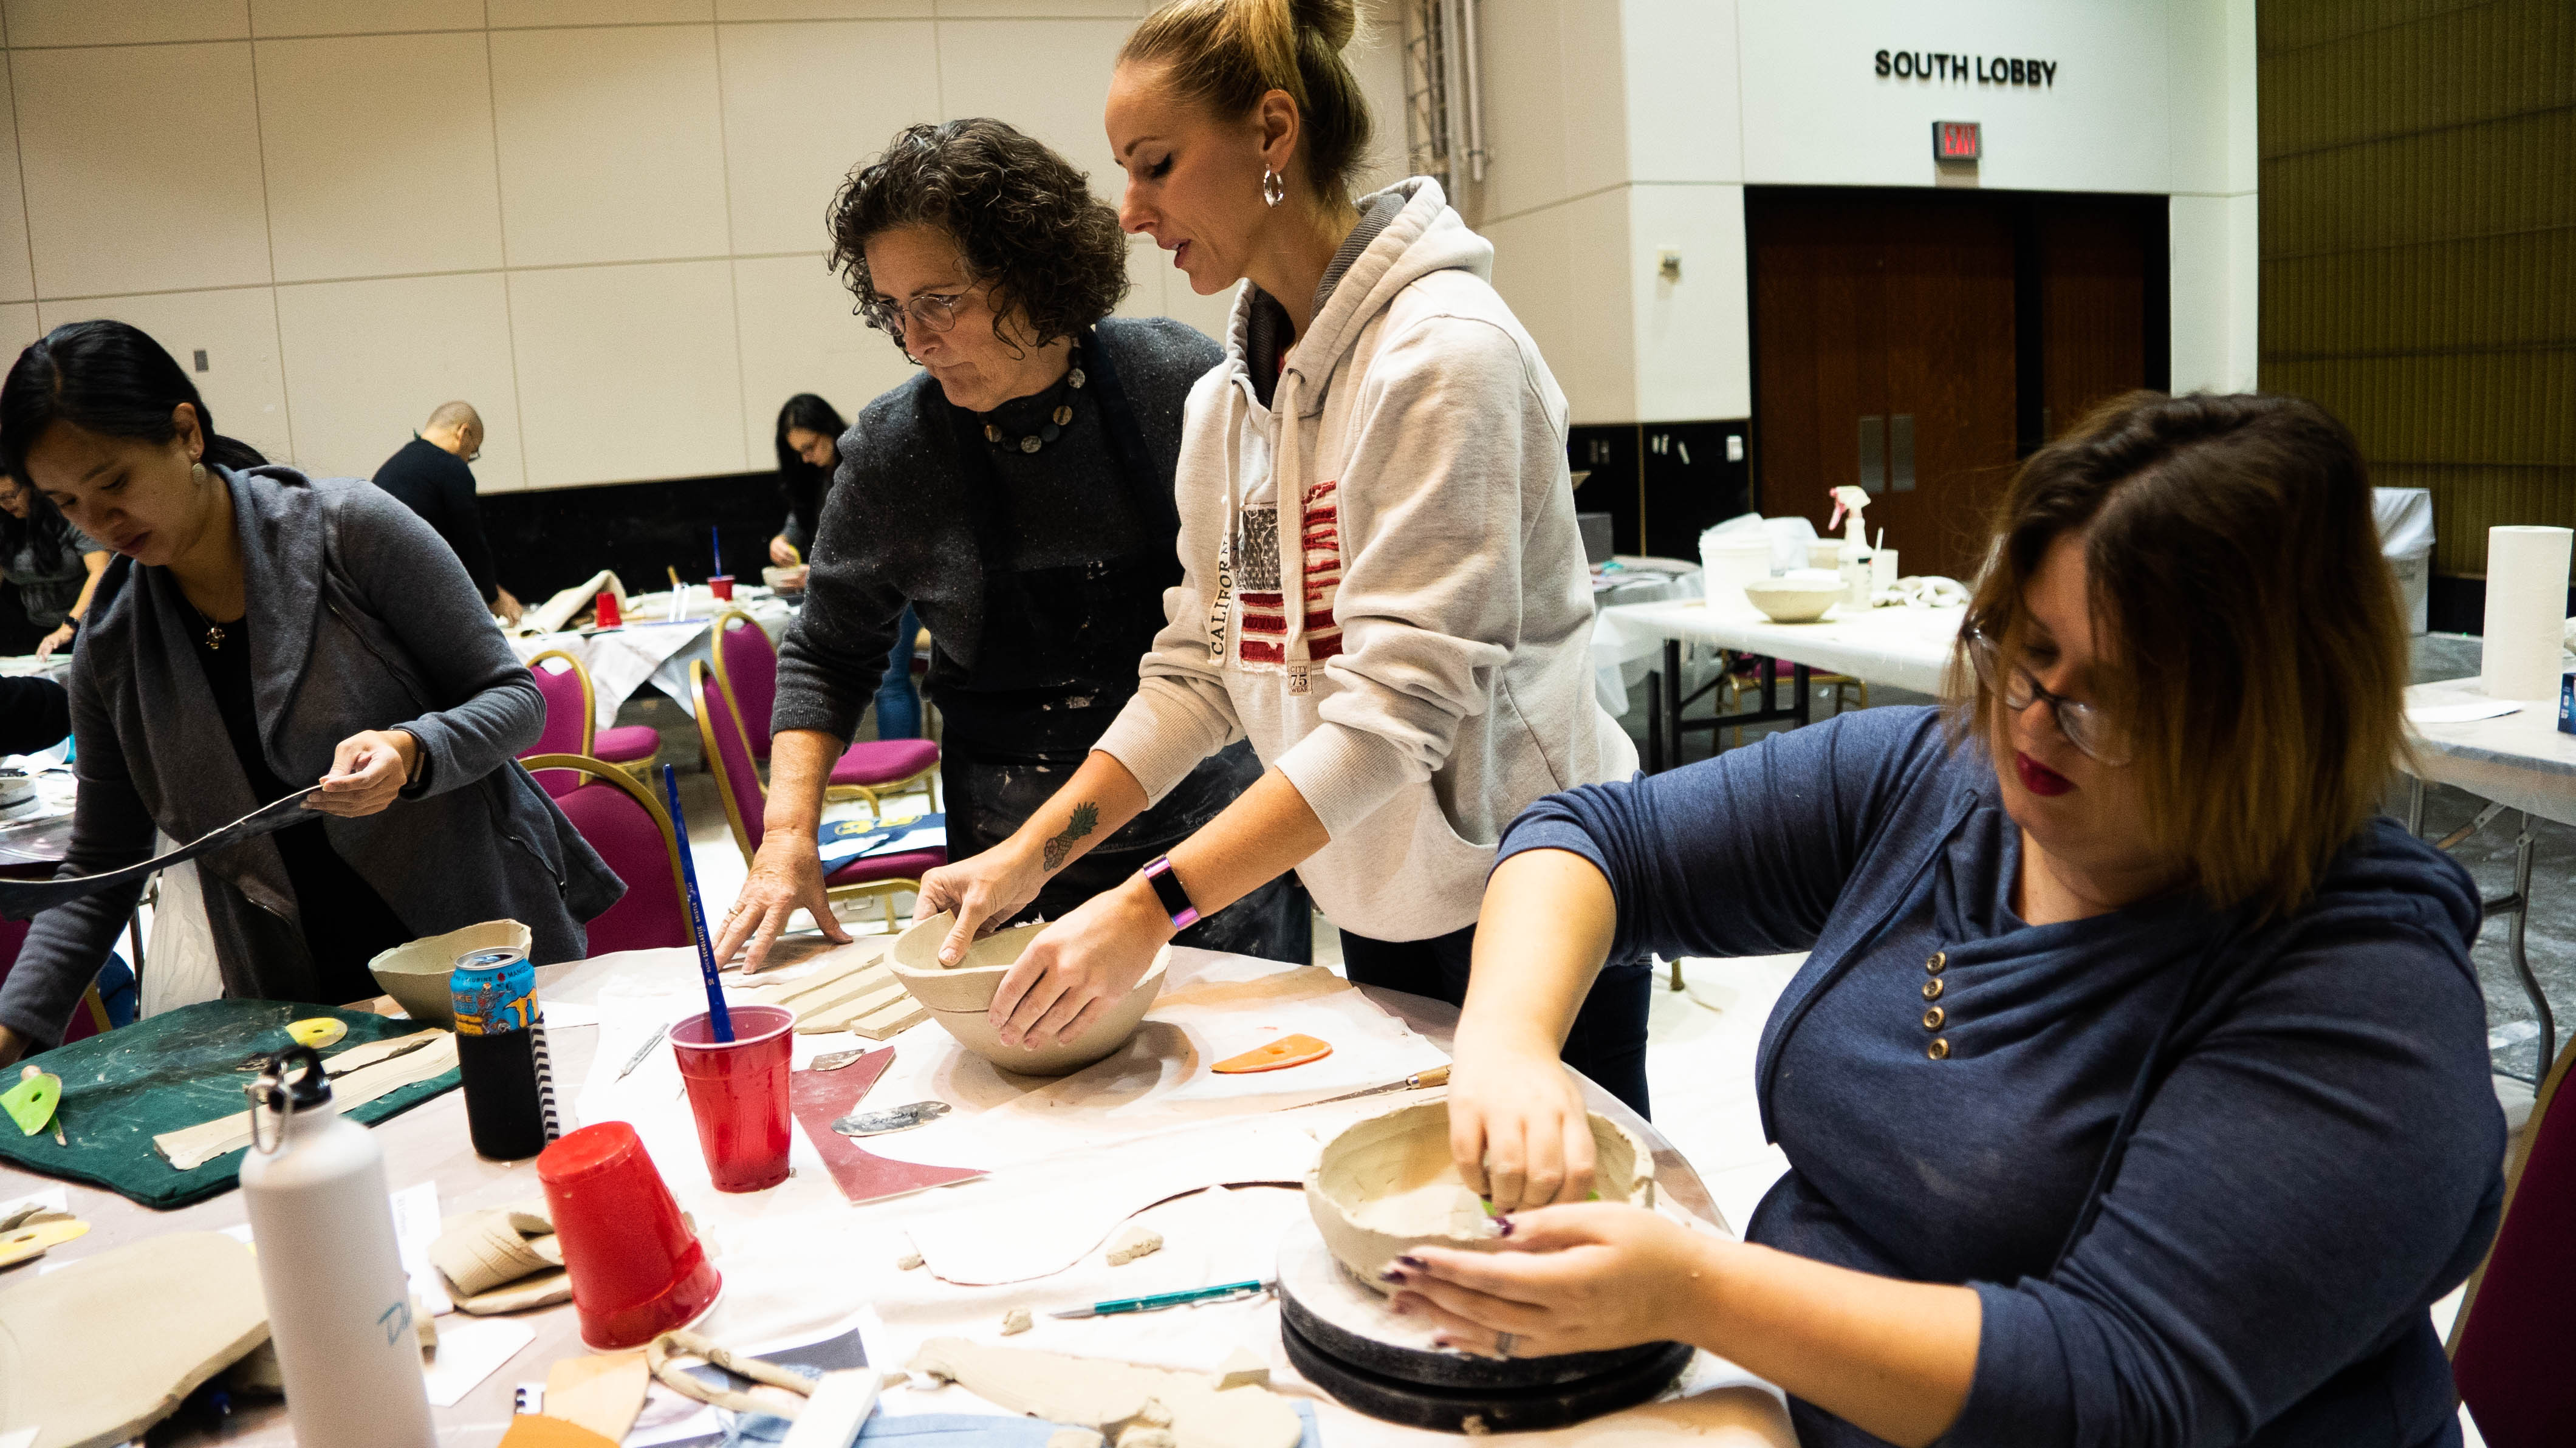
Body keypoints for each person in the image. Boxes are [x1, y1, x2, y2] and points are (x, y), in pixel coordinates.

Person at [1389, 393, 2505, 1448]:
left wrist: (1694, 1289)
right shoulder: (1954, 782)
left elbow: (2111, 1390)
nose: (2032, 718)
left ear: (2268, 727)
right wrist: (1509, 1041)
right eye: (2025, 647)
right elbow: (1595, 841)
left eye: (2107, 695)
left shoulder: (2365, 1000)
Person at [894, 0, 1649, 1107]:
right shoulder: (1229, 406)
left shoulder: (1446, 354)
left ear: (1273, 133)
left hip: (1535, 887)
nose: (1131, 211)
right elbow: (1203, 669)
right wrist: (1033, 855)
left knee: (1560, 1195)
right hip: (1377, 890)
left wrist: (1150, 903)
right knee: (1429, 1193)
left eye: (1155, 165)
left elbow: (1397, 714)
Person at [715, 118, 1306, 973]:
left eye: (938, 301)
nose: (914, 340)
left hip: (1211, 848)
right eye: (893, 310)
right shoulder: (895, 451)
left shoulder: (1180, 385)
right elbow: (828, 651)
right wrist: (786, 834)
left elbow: (1255, 626)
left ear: (1035, 273)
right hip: (1003, 865)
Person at [0, 321, 622, 1060]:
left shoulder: (348, 529)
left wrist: (412, 748)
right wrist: (14, 1025)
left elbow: (514, 698)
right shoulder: (114, 642)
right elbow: (104, 862)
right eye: (66, 502)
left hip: (473, 950)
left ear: (186, 433)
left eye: (114, 483)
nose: (99, 522)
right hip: (298, 1001)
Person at [770, 394, 919, 737]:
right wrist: (782, 541)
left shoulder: (863, 460)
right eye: (798, 452)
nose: (806, 458)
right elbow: (798, 520)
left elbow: (886, 538)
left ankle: (900, 764)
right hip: (859, 589)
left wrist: (823, 571)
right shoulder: (813, 474)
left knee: (890, 681)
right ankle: (906, 761)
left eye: (810, 447)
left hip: (893, 585)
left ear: (828, 429)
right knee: (890, 681)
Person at [373, 401, 522, 626]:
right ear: (463, 433)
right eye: (472, 452)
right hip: (416, 600)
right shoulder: (452, 468)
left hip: (375, 597)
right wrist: (494, 597)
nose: (467, 460)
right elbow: (470, 542)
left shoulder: (392, 467)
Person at [0, 468, 109, 659]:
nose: (5, 504)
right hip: (35, 629)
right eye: (0, 499)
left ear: (34, 486)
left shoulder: (70, 517)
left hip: (88, 625)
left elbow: (100, 571)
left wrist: (70, 625)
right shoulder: (6, 526)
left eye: (10, 495)